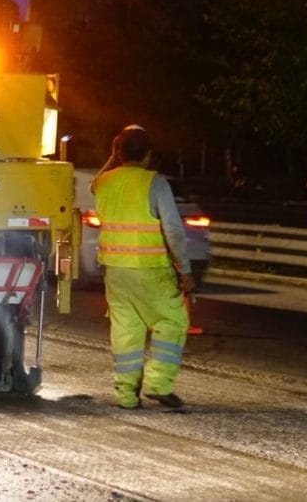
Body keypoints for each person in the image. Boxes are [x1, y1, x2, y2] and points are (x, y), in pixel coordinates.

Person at [92, 124, 194, 410]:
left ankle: (126, 395)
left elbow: (95, 182)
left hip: (115, 271)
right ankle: (159, 384)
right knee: (172, 322)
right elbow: (173, 229)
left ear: (118, 151)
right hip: (152, 269)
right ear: (149, 154)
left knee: (126, 331)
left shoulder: (104, 182)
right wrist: (184, 269)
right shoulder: (156, 182)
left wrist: (113, 157)